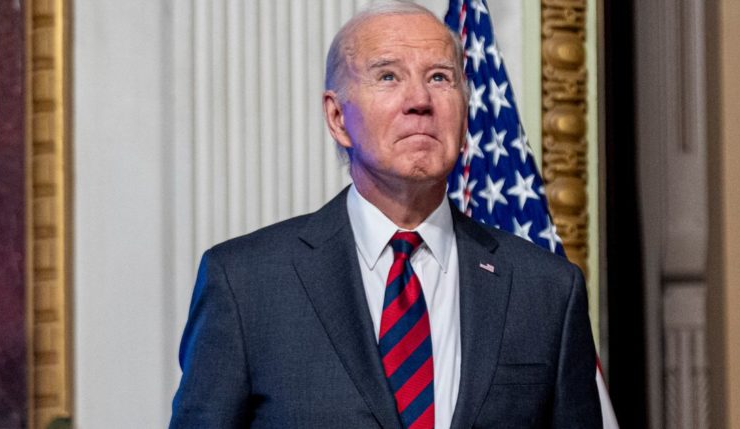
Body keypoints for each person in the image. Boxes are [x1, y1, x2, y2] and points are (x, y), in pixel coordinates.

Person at [169, 2, 601, 428]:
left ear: (465, 110)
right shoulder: (245, 283)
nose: (419, 100)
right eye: (388, 76)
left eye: (439, 77)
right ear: (338, 117)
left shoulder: (547, 291)